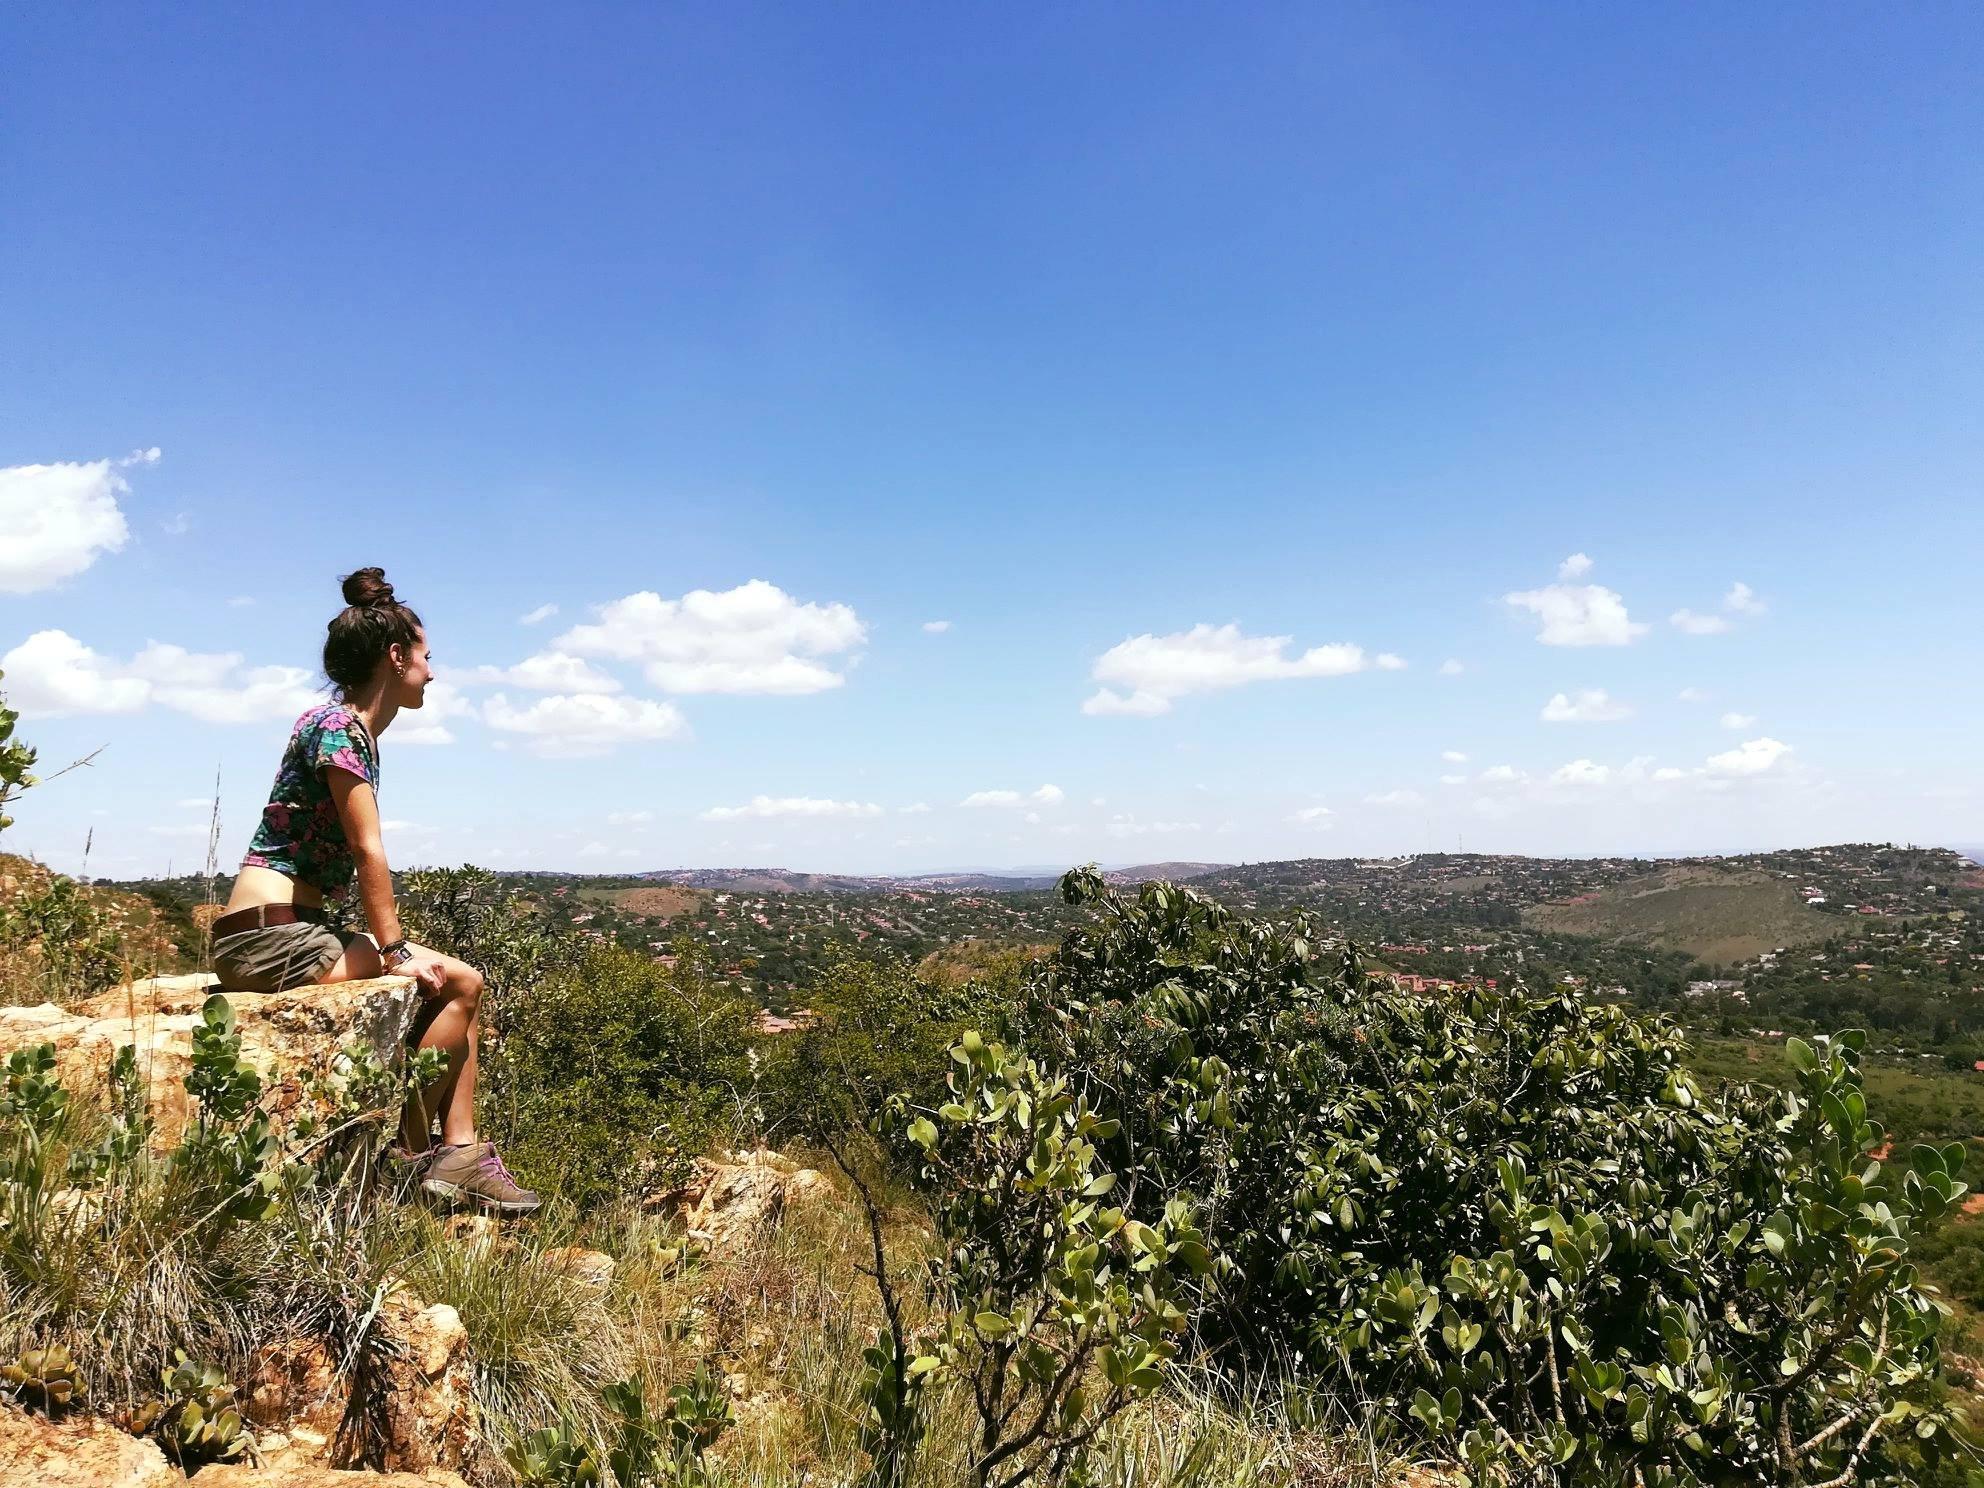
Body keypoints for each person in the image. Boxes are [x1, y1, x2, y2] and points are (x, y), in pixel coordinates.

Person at [211, 567, 539, 1216]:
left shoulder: (340, 726)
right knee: (458, 982)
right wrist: (394, 951)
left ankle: (455, 1152)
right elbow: (368, 849)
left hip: (286, 928)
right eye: (425, 656)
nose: (432, 673)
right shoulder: (338, 727)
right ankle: (419, 1156)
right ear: (396, 657)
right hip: (271, 938)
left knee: (459, 984)